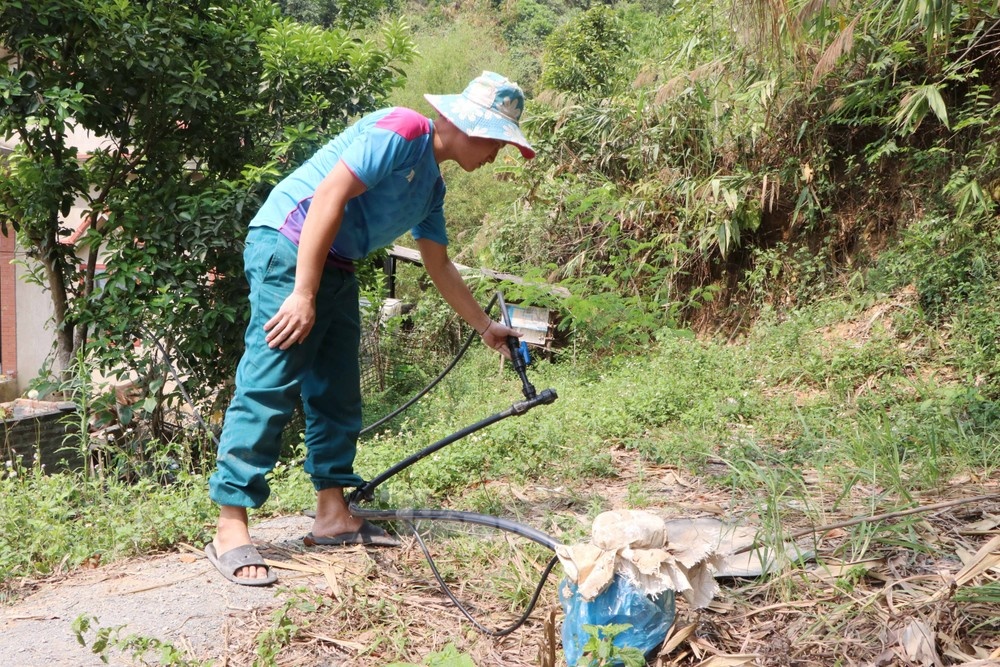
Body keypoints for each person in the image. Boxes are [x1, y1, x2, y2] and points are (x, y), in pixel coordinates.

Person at [204, 71, 534, 585]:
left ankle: (332, 513)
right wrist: (302, 292)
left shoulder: (431, 190)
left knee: (337, 391)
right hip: (289, 245)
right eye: (497, 142)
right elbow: (329, 197)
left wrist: (486, 325)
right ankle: (230, 525)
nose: (496, 155)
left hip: (337, 263)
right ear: (468, 125)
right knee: (271, 379)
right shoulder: (404, 131)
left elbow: (440, 266)